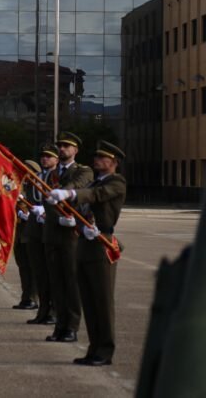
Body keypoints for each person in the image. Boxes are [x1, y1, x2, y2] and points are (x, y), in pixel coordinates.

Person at [49, 141, 127, 367]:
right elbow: (87, 199)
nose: (97, 160)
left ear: (114, 163)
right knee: (89, 302)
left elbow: (97, 195)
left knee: (102, 301)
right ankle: (94, 348)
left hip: (102, 242)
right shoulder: (94, 181)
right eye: (96, 157)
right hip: (84, 242)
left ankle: (105, 350)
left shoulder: (116, 182)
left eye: (103, 158)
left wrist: (71, 193)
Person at [43, 132, 92, 344]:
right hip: (53, 232)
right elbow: (45, 200)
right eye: (60, 146)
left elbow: (78, 186)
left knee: (71, 283)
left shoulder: (83, 171)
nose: (62, 149)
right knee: (56, 283)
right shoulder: (49, 174)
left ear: (75, 150)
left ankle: (71, 327)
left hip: (71, 235)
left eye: (66, 146)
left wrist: (62, 194)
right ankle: (59, 326)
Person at [25, 147, 58, 326]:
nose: (44, 159)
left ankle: (53, 311)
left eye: (48, 157)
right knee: (39, 273)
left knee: (52, 273)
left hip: (51, 227)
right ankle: (43, 311)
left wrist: (47, 211)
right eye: (42, 156)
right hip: (34, 228)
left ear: (56, 159)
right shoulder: (36, 177)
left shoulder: (58, 177)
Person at [11, 163, 38, 311]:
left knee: (32, 267)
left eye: (27, 171)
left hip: (31, 233)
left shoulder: (36, 188)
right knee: (23, 266)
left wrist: (27, 213)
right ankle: (26, 297)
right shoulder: (19, 187)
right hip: (20, 233)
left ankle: (33, 298)